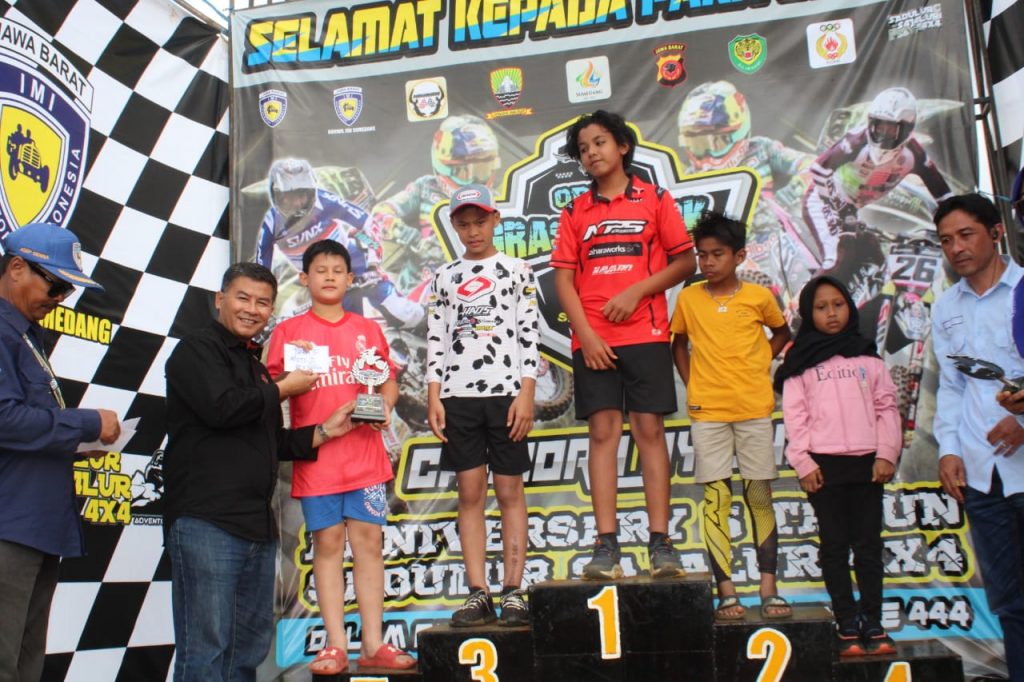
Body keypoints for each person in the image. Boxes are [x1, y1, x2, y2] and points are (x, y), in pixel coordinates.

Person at [164, 262, 356, 682]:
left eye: (263, 302)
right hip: (206, 522)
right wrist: (283, 388)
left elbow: (271, 440)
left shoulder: (254, 365)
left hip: (256, 527)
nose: (252, 309)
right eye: (243, 298)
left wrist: (325, 431)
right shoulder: (196, 350)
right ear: (220, 299)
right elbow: (222, 409)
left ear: (271, 310)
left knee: (246, 652)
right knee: (206, 652)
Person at [552, 109, 696, 580]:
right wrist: (587, 336)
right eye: (583, 149)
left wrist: (637, 292)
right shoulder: (575, 211)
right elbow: (564, 282)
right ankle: (606, 546)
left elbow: (685, 262)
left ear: (623, 146)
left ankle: (661, 543)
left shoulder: (655, 198)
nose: (592, 153)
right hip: (593, 340)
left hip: (645, 333)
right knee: (602, 435)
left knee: (650, 431)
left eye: (599, 143)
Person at [265, 240, 414, 674]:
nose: (329, 276)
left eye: (337, 270)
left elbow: (387, 381)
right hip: (317, 462)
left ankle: (373, 644)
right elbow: (270, 390)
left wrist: (385, 405)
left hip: (366, 460)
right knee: (327, 546)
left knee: (369, 545)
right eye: (320, 270)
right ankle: (334, 645)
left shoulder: (367, 330)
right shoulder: (289, 332)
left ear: (350, 279)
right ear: (304, 278)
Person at [0, 223, 120, 682]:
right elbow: (5, 418)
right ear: (16, 267)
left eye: (68, 290)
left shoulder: (27, 336)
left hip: (36, 523)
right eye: (55, 285)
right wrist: (85, 424)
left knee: (26, 664)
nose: (61, 298)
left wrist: (77, 444)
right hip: (10, 526)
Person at [670, 211, 792, 620]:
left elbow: (782, 333)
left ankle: (769, 590)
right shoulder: (689, 298)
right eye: (702, 255)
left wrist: (759, 362)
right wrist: (693, 384)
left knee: (758, 495)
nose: (708, 262)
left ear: (739, 256)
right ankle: (727, 593)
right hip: (709, 413)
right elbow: (678, 344)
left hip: (754, 408)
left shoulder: (758, 296)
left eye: (717, 254)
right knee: (716, 499)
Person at [426, 183, 539, 626]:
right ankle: (478, 592)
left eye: (480, 222)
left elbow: (528, 333)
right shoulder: (443, 276)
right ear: (454, 226)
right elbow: (436, 339)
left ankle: (513, 590)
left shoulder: (517, 270)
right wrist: (434, 395)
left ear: (495, 220)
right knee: (470, 492)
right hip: (458, 396)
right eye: (464, 224)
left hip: (507, 394)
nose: (473, 231)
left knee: (510, 491)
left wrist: (526, 392)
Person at [775, 276, 901, 656]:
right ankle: (846, 624)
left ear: (850, 307)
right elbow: (795, 417)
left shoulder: (868, 358)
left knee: (868, 546)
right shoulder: (800, 363)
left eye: (838, 304)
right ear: (808, 314)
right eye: (821, 307)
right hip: (823, 467)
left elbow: (886, 407)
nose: (831, 313)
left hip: (867, 465)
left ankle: (873, 624)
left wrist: (886, 454)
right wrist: (803, 462)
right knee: (833, 547)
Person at [932, 193, 1024, 681]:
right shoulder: (947, 305)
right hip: (981, 474)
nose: (957, 248)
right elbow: (951, 385)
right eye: (946, 240)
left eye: (966, 234)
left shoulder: (1023, 291)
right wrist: (948, 449)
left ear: (996, 232)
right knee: (1008, 599)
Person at [255, 158, 422, 328]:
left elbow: (368, 224)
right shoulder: (271, 222)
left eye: (301, 196)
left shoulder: (325, 200)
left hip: (356, 266)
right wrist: (264, 304)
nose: (297, 204)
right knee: (339, 330)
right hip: (318, 282)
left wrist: (372, 264)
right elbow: (262, 271)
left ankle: (426, 319)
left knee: (403, 312)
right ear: (276, 196)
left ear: (311, 192)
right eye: (289, 198)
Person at [803, 87, 952, 274]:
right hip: (821, 201)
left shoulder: (914, 154)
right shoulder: (855, 142)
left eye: (890, 129)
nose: (882, 134)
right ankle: (810, 292)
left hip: (850, 208)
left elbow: (944, 196)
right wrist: (838, 206)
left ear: (906, 129)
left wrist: (947, 226)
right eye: (878, 126)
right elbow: (818, 170)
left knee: (873, 257)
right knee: (837, 260)